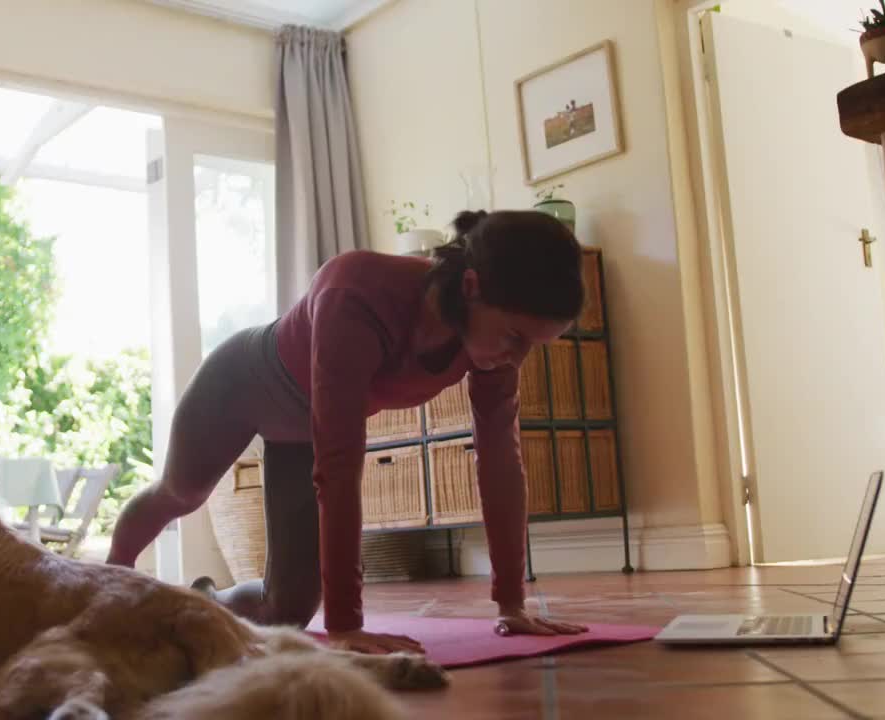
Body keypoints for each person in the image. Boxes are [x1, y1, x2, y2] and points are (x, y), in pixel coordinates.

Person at [106, 209, 588, 654]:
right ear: (470, 286)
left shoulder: (488, 343)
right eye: (515, 337)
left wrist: (511, 603)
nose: (517, 358)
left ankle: (204, 599)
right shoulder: (355, 291)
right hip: (237, 384)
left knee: (287, 612)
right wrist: (346, 625)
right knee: (180, 494)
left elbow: (502, 462)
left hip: (298, 432)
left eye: (533, 345)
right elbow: (337, 467)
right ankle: (105, 582)